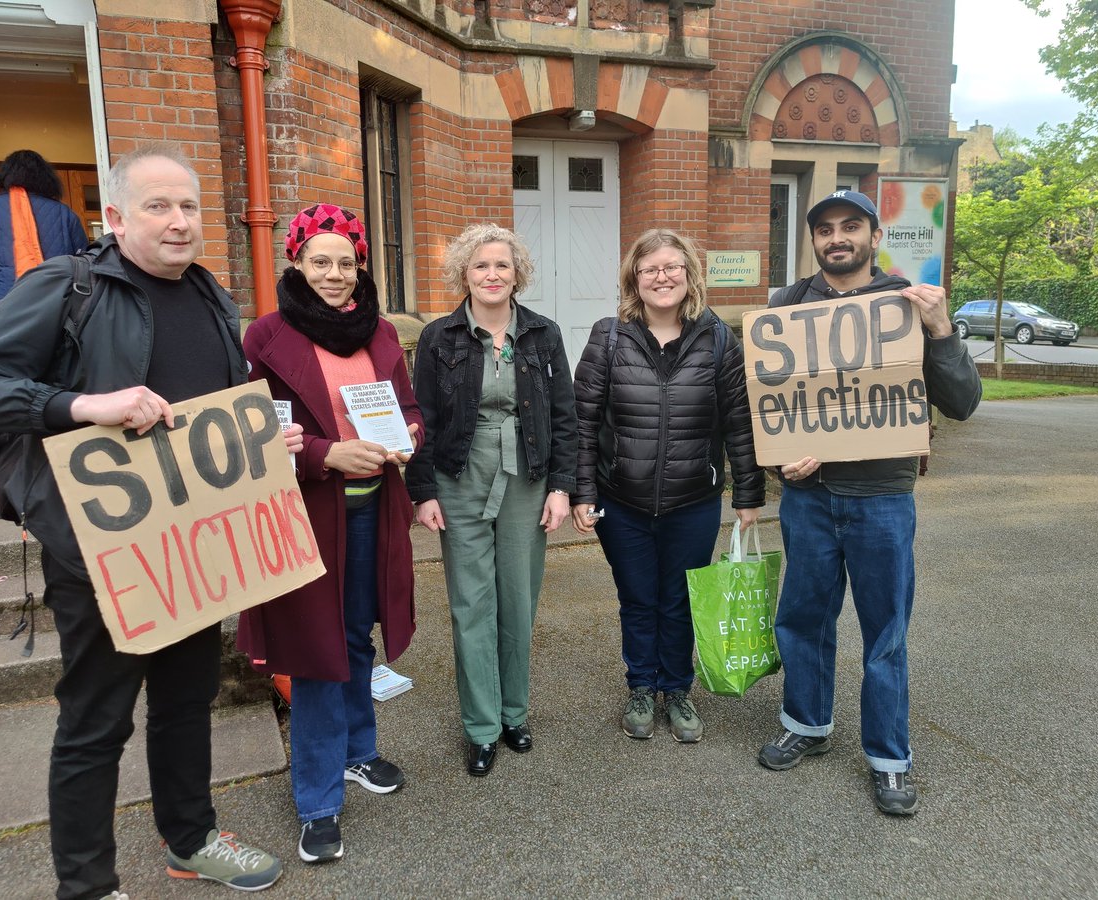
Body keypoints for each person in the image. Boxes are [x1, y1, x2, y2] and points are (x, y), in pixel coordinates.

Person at [0, 145, 285, 898]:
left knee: (189, 700)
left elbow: (208, 414)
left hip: (191, 541)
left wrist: (261, 439)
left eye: (189, 206)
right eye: (158, 206)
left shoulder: (210, 297)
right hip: (97, 547)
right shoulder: (67, 287)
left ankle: (190, 839)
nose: (179, 220)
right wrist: (84, 406)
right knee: (96, 721)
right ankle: (88, 885)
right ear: (116, 217)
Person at [756, 190, 982, 815]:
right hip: (807, 499)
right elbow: (769, 405)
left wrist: (941, 331)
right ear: (814, 241)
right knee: (802, 618)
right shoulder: (787, 308)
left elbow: (961, 403)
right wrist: (780, 459)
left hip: (883, 496)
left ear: (873, 235)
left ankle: (889, 758)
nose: (837, 238)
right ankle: (806, 723)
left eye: (850, 226)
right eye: (825, 228)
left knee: (885, 632)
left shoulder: (907, 303)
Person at [236, 203, 423, 864]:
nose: (335, 274)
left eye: (345, 262)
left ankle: (357, 752)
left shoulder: (383, 335)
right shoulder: (264, 338)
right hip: (306, 513)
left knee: (356, 635)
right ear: (297, 262)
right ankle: (317, 801)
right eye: (321, 261)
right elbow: (252, 435)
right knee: (316, 653)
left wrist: (408, 439)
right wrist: (323, 455)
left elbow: (406, 408)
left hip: (373, 509)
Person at [571, 228, 765, 743]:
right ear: (635, 278)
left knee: (679, 599)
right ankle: (641, 685)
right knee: (637, 598)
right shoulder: (608, 336)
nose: (662, 277)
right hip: (622, 499)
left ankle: (677, 689)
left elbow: (739, 423)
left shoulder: (719, 338)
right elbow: (583, 423)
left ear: (689, 275)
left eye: (672, 267)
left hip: (693, 500)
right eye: (650, 268)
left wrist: (749, 494)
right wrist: (582, 492)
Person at [406, 223, 577, 777]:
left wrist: (560, 486)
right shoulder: (439, 337)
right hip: (460, 474)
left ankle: (514, 713)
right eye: (481, 265)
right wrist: (423, 491)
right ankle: (481, 726)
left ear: (517, 273)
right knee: (470, 604)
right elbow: (422, 420)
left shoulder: (544, 335)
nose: (492, 274)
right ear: (465, 274)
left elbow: (565, 418)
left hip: (527, 475)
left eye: (502, 265)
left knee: (518, 599)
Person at [0, 149, 88, 312]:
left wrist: (0, 275)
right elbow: (84, 266)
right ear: (46, 179)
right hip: (55, 306)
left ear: (4, 177)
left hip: (1, 307)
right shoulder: (66, 214)